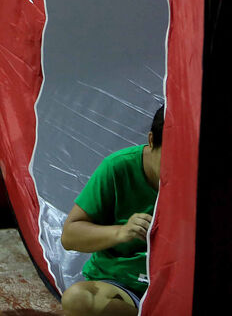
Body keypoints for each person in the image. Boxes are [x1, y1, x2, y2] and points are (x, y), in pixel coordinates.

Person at [59, 106, 163, 316]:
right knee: (78, 300)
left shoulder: (194, 176)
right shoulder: (118, 168)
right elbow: (69, 236)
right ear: (151, 141)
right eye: (172, 156)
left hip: (178, 286)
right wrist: (120, 232)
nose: (178, 168)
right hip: (125, 287)